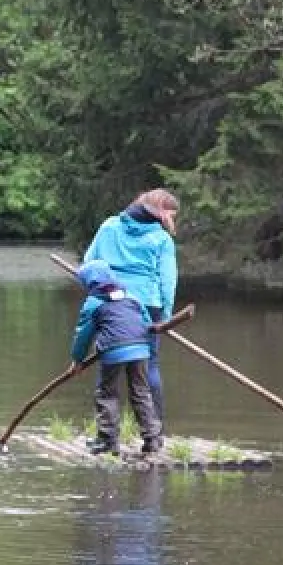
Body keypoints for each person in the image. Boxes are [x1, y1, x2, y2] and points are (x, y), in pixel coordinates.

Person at [83, 189, 179, 426]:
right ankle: (155, 430)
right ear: (162, 212)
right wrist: (165, 317)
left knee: (108, 363)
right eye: (172, 215)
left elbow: (89, 262)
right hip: (148, 304)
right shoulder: (161, 239)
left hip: (109, 301)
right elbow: (168, 281)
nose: (172, 220)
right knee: (149, 365)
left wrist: (96, 290)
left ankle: (106, 433)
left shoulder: (109, 227)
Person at [69, 259, 162, 454]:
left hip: (113, 350)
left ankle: (108, 440)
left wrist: (77, 360)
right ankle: (152, 439)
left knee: (107, 393)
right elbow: (146, 322)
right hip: (141, 349)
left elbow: (83, 335)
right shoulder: (131, 296)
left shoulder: (93, 303)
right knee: (141, 392)